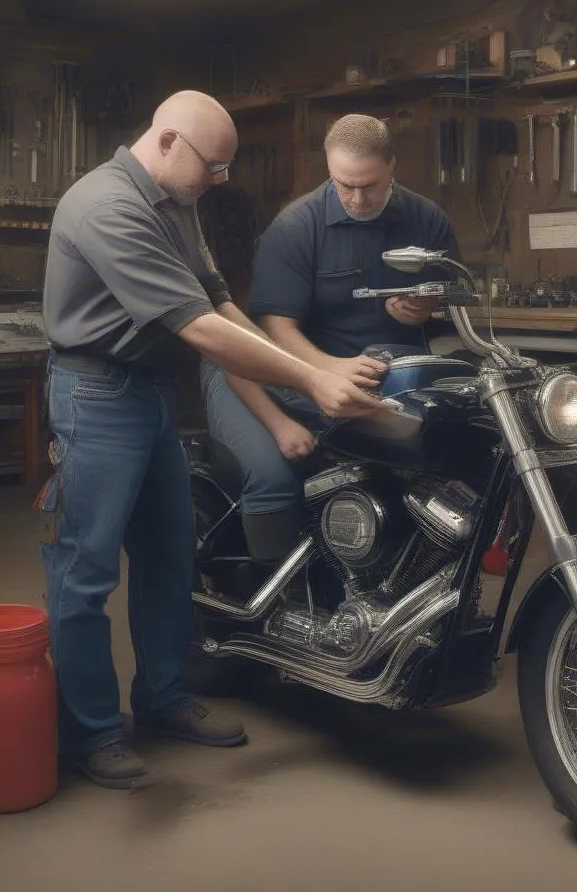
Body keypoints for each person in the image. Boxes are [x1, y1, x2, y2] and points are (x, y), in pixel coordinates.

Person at [40, 91, 380, 790]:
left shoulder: (177, 200)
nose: (219, 182)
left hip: (153, 393)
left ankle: (163, 698)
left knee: (170, 557)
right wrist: (312, 387)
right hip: (97, 394)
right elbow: (199, 329)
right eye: (214, 166)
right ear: (167, 142)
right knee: (86, 571)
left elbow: (220, 301)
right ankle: (91, 733)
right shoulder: (107, 206)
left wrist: (315, 367)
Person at [202, 113, 459, 563]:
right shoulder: (295, 228)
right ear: (328, 169)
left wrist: (423, 307)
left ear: (392, 166)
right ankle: (279, 605)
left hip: (380, 372)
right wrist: (327, 367)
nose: (357, 198)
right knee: (272, 474)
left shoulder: (426, 219)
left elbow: (444, 293)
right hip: (290, 370)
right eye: (344, 185)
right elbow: (272, 333)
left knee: (441, 453)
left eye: (369, 185)